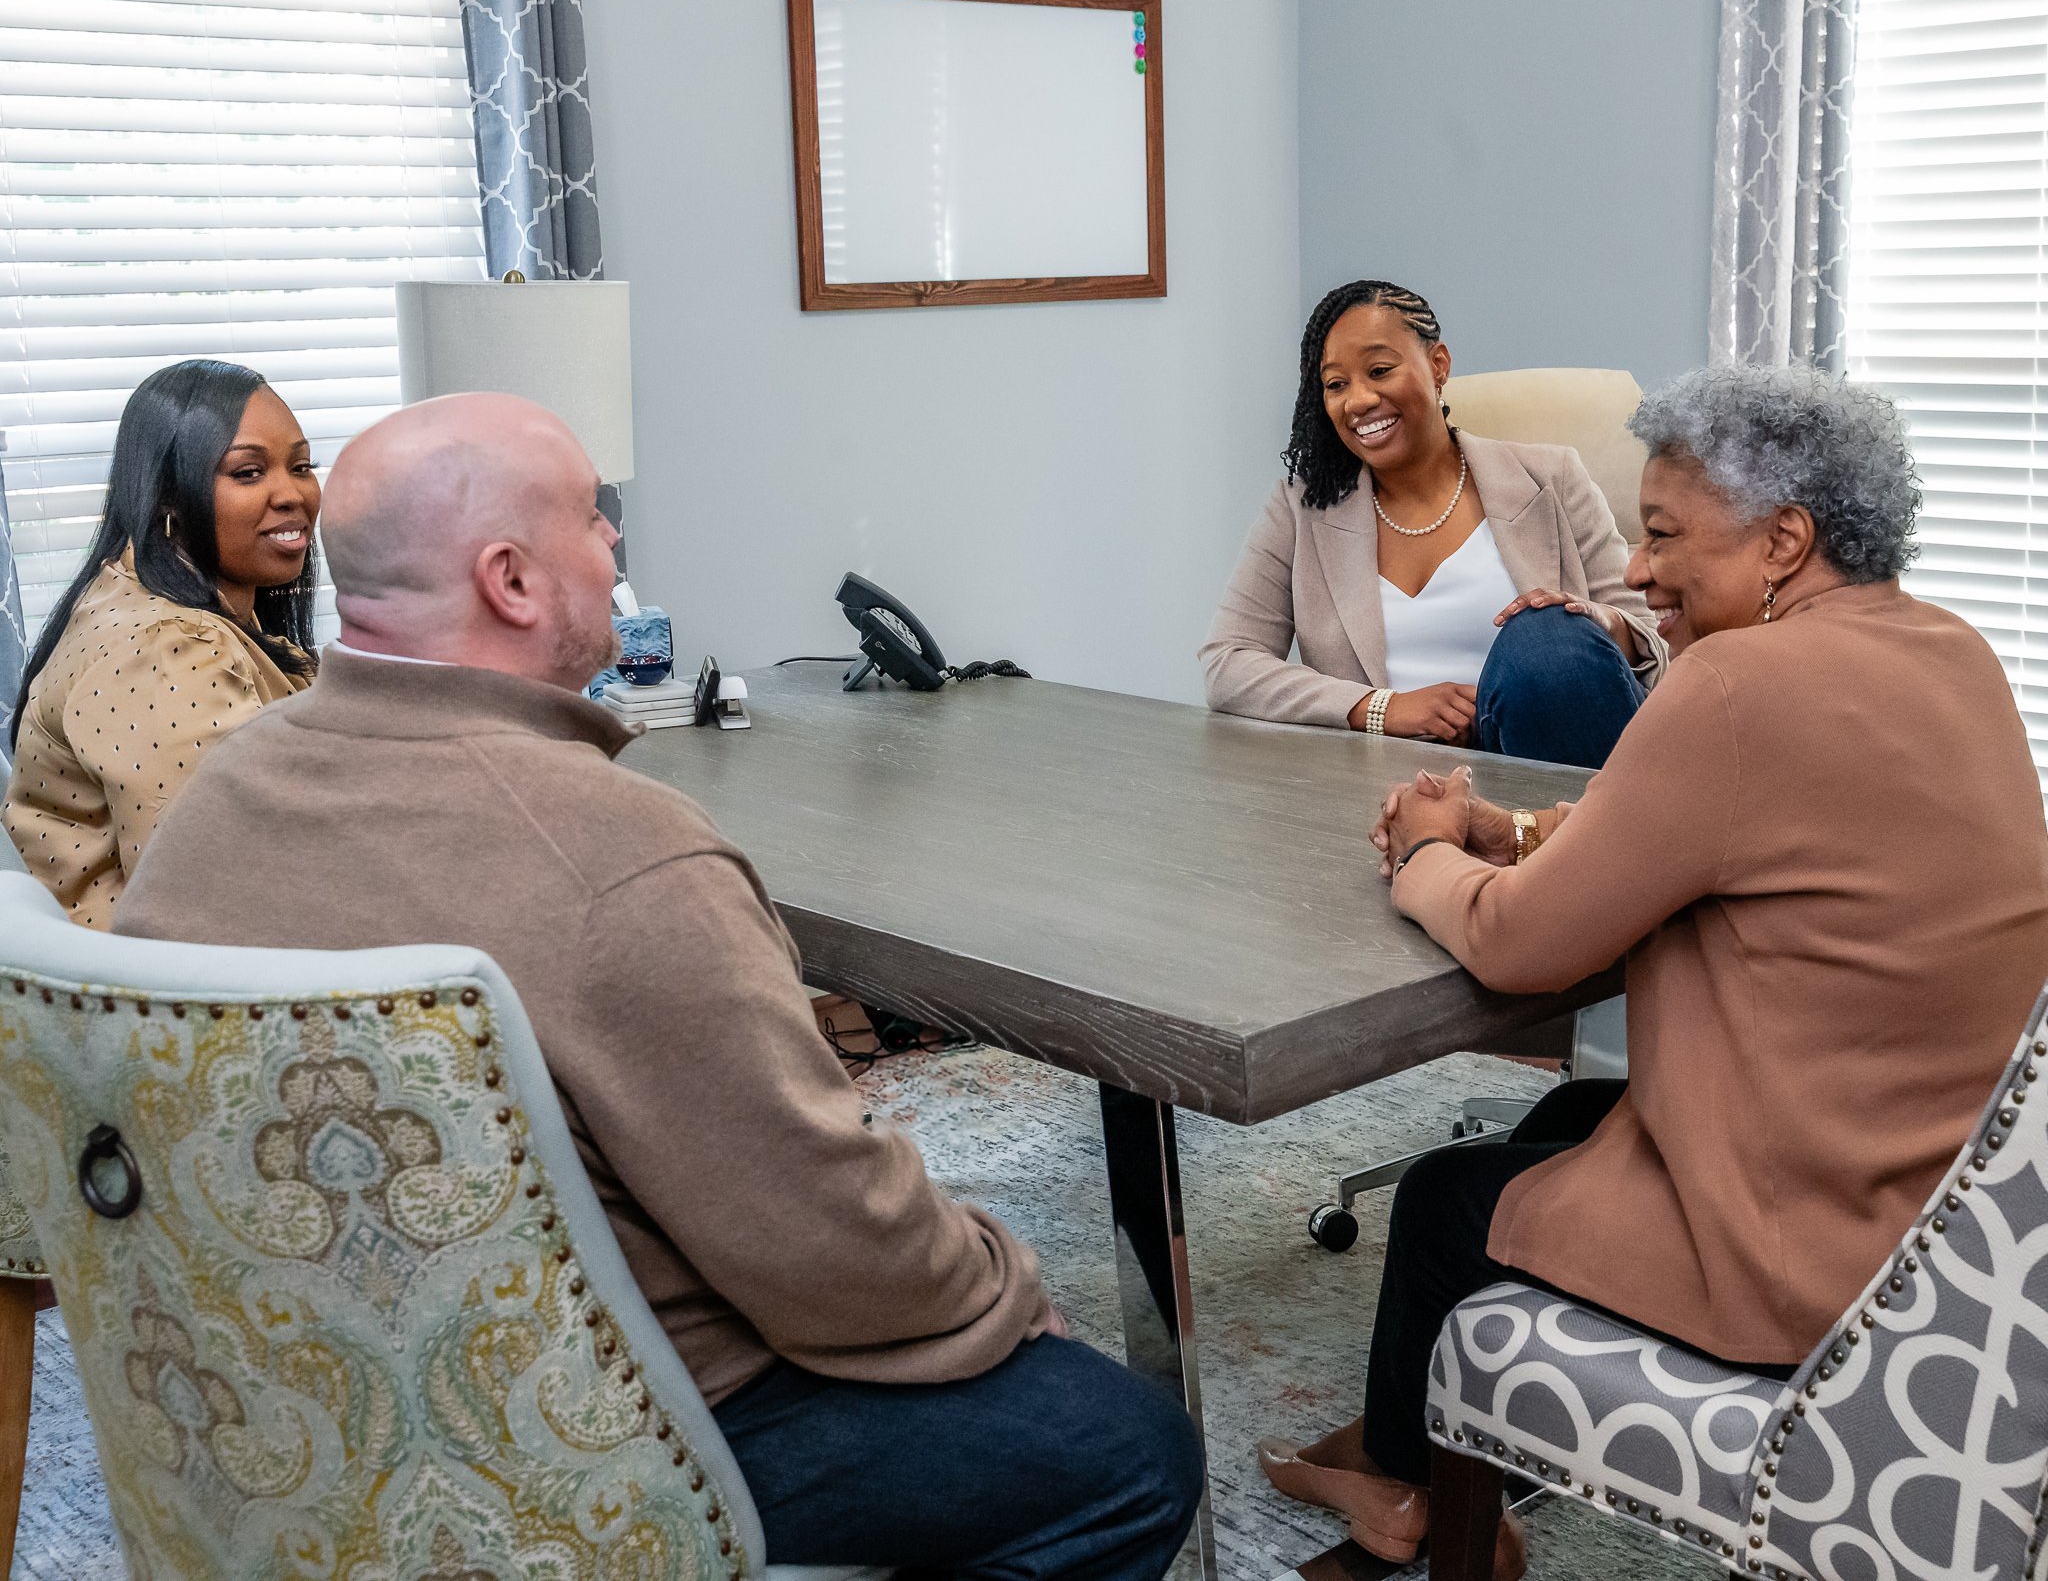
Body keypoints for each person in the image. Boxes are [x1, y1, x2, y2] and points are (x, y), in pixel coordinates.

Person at [114, 392, 1204, 1581]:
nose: (615, 540)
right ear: (511, 580)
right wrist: (1005, 1285)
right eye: (593, 516)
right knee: (1128, 1448)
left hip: (291, 1412)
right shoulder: (619, 854)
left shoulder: (218, 798)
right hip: (597, 1437)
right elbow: (831, 1251)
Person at [1256, 365, 2048, 1573]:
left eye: (1664, 534)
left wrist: (1423, 854)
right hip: (1944, 1207)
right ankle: (1435, 1439)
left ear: (1783, 540)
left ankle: (1409, 1499)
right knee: (1572, 1119)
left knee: (1442, 1200)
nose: (1632, 568)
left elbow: (1519, 944)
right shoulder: (1949, 651)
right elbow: (1743, 840)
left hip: (1814, 1254)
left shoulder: (1731, 682)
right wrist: (1511, 832)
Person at [1202, 281, 1664, 766]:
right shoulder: (1302, 508)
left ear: (1438, 365)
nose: (1358, 401)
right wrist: (1380, 708)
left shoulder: (1552, 479)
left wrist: (1596, 622)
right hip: (1395, 780)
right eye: (1336, 384)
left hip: (1545, 757)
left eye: (1379, 371)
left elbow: (1657, 647)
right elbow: (1228, 662)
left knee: (1543, 635)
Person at [3, 359, 319, 926]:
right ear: (168, 499)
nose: (292, 493)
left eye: (301, 467)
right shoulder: (168, 648)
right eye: (249, 473)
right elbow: (217, 894)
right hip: (162, 974)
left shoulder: (131, 593)